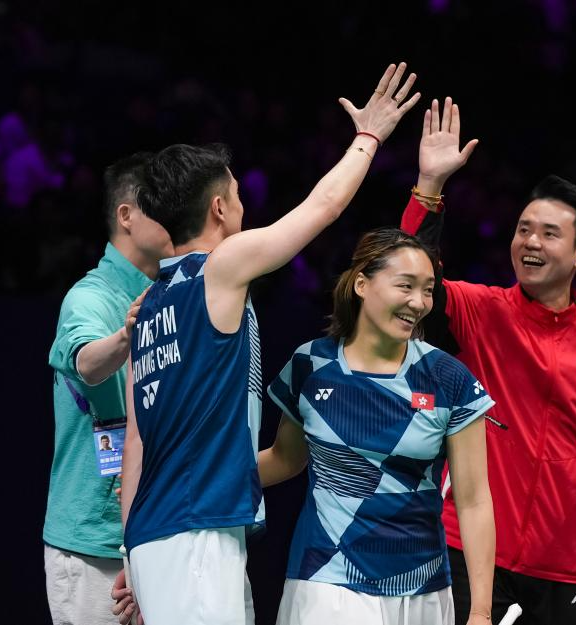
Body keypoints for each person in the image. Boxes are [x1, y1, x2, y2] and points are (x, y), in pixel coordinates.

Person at [117, 63, 420, 625]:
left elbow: (136, 441)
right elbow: (323, 208)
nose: (243, 204)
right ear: (218, 208)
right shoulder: (219, 268)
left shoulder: (149, 307)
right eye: (236, 194)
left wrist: (131, 550)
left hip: (163, 534)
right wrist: (369, 137)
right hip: (195, 532)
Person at [399, 98, 576, 625]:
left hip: (564, 562)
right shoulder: (481, 310)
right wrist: (429, 186)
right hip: (470, 548)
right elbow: (412, 273)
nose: (530, 242)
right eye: (523, 229)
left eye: (548, 233)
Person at [258, 228, 495, 625]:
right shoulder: (311, 365)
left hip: (422, 588)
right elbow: (285, 459)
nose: (419, 302)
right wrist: (190, 479)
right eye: (405, 285)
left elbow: (473, 501)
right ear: (362, 285)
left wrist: (481, 612)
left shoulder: (448, 378)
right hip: (327, 579)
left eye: (428, 290)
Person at [44, 151, 173, 625]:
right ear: (126, 215)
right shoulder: (90, 297)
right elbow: (86, 362)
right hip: (92, 544)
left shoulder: (173, 293)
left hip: (154, 535)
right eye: (162, 204)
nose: (176, 215)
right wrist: (124, 337)